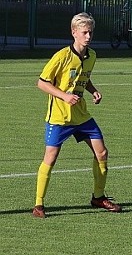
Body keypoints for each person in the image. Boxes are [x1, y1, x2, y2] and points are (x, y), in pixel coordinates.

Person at [32, 12, 122, 218]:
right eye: (85, 32)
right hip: (59, 117)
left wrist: (93, 90)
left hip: (81, 116)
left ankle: (98, 197)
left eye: (91, 32)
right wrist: (64, 96)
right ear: (74, 33)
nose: (88, 36)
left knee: (102, 153)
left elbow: (84, 78)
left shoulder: (92, 56)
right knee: (51, 157)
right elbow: (42, 83)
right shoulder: (61, 56)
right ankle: (38, 205)